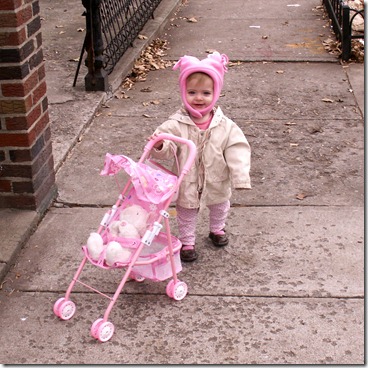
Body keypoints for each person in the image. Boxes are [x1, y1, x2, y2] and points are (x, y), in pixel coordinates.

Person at [148, 52, 251, 262]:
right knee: (186, 211)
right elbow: (167, 150)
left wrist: (239, 176)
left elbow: (237, 149)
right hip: (188, 180)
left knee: (220, 205)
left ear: (216, 93)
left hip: (216, 178)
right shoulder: (175, 124)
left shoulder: (225, 125)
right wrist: (160, 144)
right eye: (192, 92)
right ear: (183, 92)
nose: (199, 98)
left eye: (206, 93)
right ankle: (187, 241)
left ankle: (217, 229)